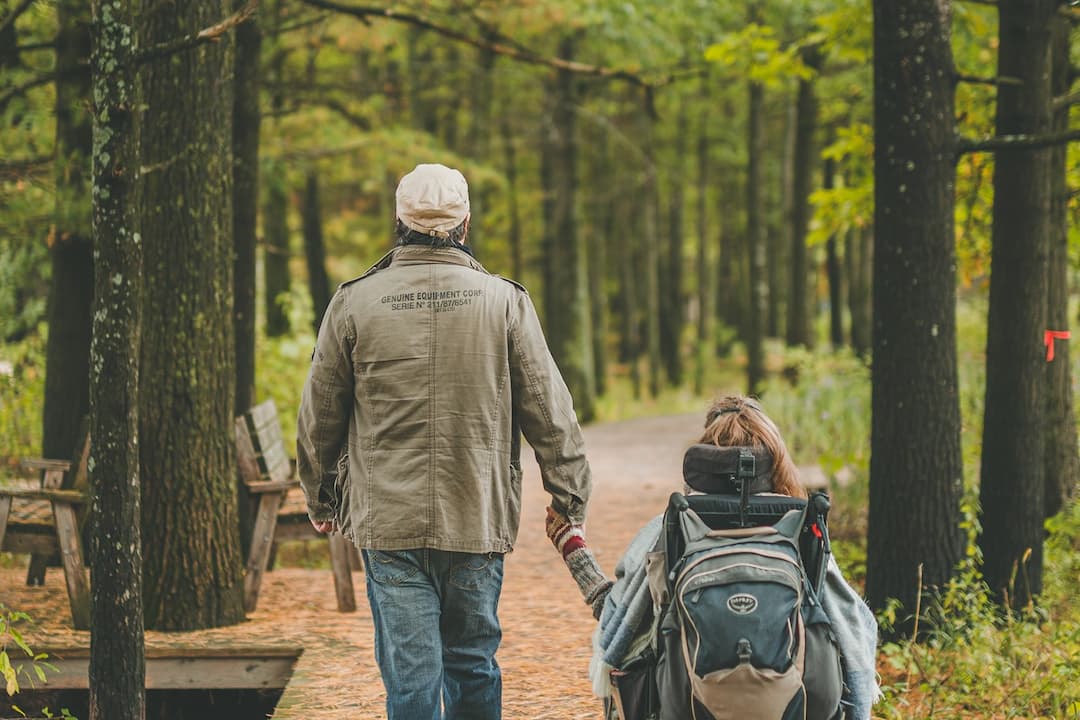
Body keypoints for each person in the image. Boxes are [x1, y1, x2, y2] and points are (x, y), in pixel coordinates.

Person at [296, 162, 611, 720]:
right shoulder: (504, 301)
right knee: (471, 663)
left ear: (399, 220)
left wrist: (321, 500)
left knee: (411, 681)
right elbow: (551, 412)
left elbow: (319, 414)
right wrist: (570, 501)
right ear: (465, 222)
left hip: (387, 519)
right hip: (477, 512)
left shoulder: (354, 302)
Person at [589, 395, 880, 720]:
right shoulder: (799, 528)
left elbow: (618, 617)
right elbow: (852, 625)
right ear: (775, 459)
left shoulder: (671, 526)